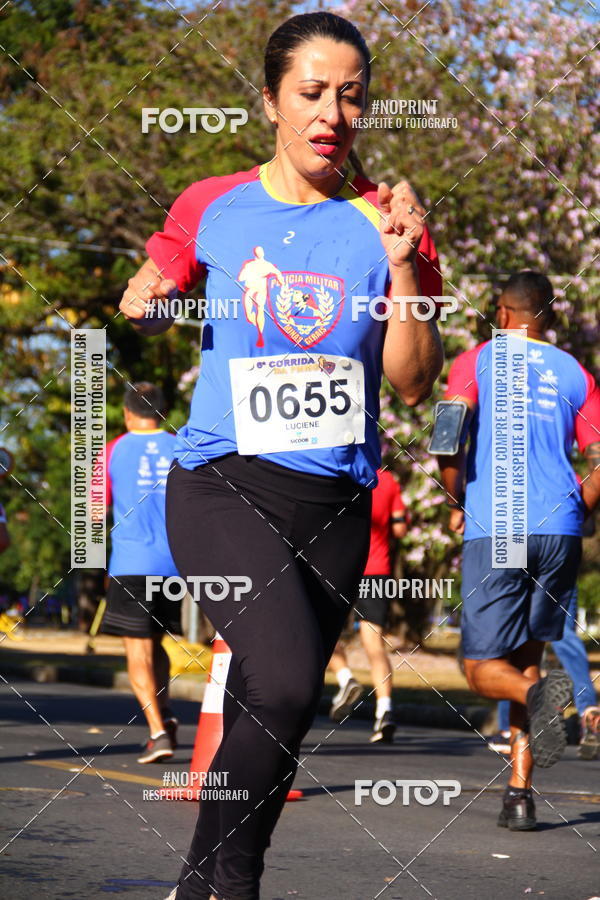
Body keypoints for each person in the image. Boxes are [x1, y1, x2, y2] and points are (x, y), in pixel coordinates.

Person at [120, 12, 443, 899]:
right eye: (311, 92)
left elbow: (413, 382)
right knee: (290, 682)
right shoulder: (212, 204)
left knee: (275, 711)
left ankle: (211, 882)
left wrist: (403, 268)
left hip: (335, 502)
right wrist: (147, 302)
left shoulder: (389, 220)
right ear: (270, 101)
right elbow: (152, 300)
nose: (332, 113)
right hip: (222, 483)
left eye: (352, 96)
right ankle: (223, 885)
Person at [439, 271, 600, 831]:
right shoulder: (575, 372)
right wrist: (578, 508)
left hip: (501, 524)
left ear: (503, 313)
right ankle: (519, 795)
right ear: (548, 317)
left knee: (482, 669)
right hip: (560, 529)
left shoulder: (476, 360)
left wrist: (455, 497)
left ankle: (540, 697)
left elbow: (446, 435)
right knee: (528, 656)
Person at [99, 382, 181, 764]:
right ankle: (164, 713)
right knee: (156, 643)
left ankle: (158, 733)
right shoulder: (182, 447)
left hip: (132, 564)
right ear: (162, 411)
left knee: (137, 650)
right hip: (173, 566)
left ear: (127, 413)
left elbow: (94, 512)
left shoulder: (112, 450)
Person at [328, 466, 408, 743]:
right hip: (377, 571)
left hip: (341, 567)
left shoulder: (339, 473)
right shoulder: (388, 480)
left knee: (320, 632)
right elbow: (400, 529)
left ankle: (345, 678)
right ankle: (384, 711)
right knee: (374, 645)